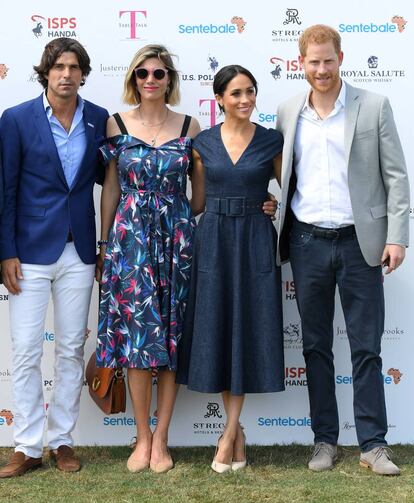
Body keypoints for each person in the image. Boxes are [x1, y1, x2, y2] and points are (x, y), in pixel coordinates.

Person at [276, 24, 409, 475]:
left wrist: (397, 236)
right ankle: (324, 441)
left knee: (366, 348)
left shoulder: (373, 106)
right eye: (313, 62)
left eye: (328, 60)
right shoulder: (288, 110)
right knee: (315, 346)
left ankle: (373, 444)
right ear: (301, 63)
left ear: (340, 57)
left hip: (360, 243)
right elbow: (283, 174)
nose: (321, 69)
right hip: (307, 240)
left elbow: (396, 177)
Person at [0, 38, 108, 478]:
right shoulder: (16, 119)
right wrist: (5, 250)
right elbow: (5, 189)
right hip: (28, 252)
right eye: (58, 66)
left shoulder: (99, 118)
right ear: (45, 72)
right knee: (25, 352)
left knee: (69, 350)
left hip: (79, 250)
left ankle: (62, 441)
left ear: (83, 72)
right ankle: (26, 446)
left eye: (74, 66)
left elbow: (114, 180)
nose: (66, 74)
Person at [94, 44, 202, 474]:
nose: (151, 80)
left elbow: (200, 197)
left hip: (176, 244)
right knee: (138, 340)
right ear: (133, 78)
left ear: (169, 79)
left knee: (172, 339)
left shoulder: (191, 126)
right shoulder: (115, 124)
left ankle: (162, 438)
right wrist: (105, 247)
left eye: (159, 73)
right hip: (129, 244)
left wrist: (172, 221)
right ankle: (141, 437)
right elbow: (111, 190)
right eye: (143, 73)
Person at [176, 65, 285, 473]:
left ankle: (228, 434)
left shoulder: (273, 141)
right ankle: (235, 433)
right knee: (220, 330)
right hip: (214, 243)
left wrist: (273, 205)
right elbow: (199, 202)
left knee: (246, 330)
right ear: (219, 98)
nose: (245, 100)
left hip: (255, 240)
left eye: (251, 92)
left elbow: (291, 191)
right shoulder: (201, 142)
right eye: (236, 93)